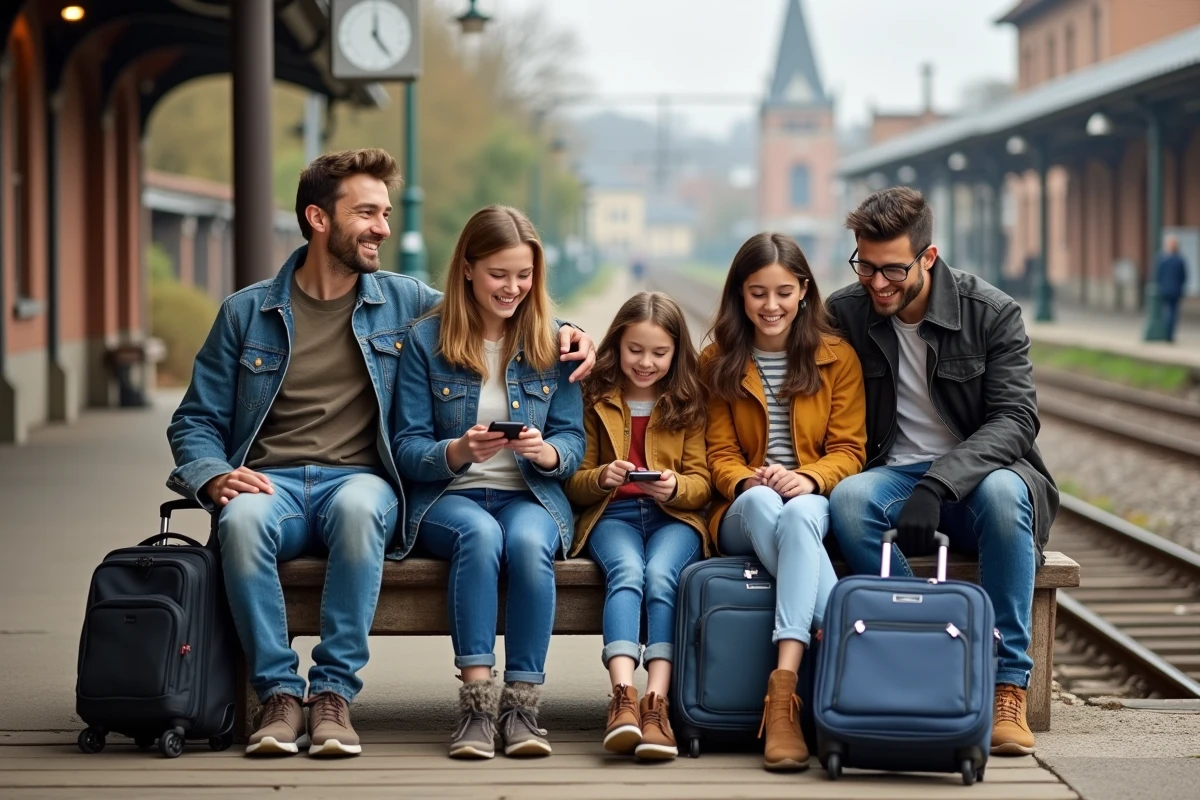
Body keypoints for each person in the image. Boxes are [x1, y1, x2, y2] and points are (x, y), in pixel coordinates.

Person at [165, 150, 596, 758]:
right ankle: (279, 695)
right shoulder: (246, 312)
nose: (383, 228)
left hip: (359, 480)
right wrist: (212, 477)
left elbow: (498, 301)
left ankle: (333, 694)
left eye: (386, 213)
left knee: (361, 509)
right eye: (367, 213)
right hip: (270, 481)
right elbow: (195, 419)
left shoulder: (403, 301)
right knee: (239, 521)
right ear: (319, 218)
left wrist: (571, 331)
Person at [825, 186, 1059, 757]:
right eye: (865, 266)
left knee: (1005, 497)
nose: (878, 283)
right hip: (892, 477)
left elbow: (1016, 420)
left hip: (979, 478)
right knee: (849, 501)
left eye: (893, 269)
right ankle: (931, 648)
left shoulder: (991, 312)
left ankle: (1007, 684)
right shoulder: (845, 313)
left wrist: (939, 483)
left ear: (928, 257)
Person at [392, 205, 586, 760]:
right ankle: (477, 708)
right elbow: (406, 446)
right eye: (499, 274)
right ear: (468, 269)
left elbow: (573, 439)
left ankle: (521, 706)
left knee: (526, 542)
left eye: (524, 275)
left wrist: (546, 452)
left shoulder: (554, 342)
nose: (512, 287)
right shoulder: (426, 341)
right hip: (448, 498)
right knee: (479, 536)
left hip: (528, 495)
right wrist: (457, 451)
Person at [702, 232, 867, 771]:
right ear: (740, 294)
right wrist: (749, 481)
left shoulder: (837, 358)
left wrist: (810, 479)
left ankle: (783, 695)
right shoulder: (717, 361)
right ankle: (846, 631)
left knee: (795, 512)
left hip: (808, 501)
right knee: (764, 507)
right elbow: (718, 454)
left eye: (783, 292)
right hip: (742, 508)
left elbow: (849, 450)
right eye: (757, 293)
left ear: (804, 291)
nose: (770, 305)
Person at [565, 291, 710, 761]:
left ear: (676, 353)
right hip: (614, 517)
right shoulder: (595, 397)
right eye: (635, 350)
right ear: (617, 345)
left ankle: (656, 702)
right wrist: (601, 478)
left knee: (663, 576)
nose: (646, 363)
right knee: (627, 572)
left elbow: (702, 482)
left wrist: (675, 487)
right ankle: (623, 697)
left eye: (659, 353)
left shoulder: (688, 400)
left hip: (674, 519)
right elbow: (574, 482)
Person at [1157, 235, 1189, 343]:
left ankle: (1167, 333)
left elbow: (1158, 275)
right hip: (1175, 290)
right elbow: (1184, 276)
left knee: (1167, 312)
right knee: (1173, 313)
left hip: (1165, 290)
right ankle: (1169, 334)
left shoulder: (1163, 259)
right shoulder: (1180, 260)